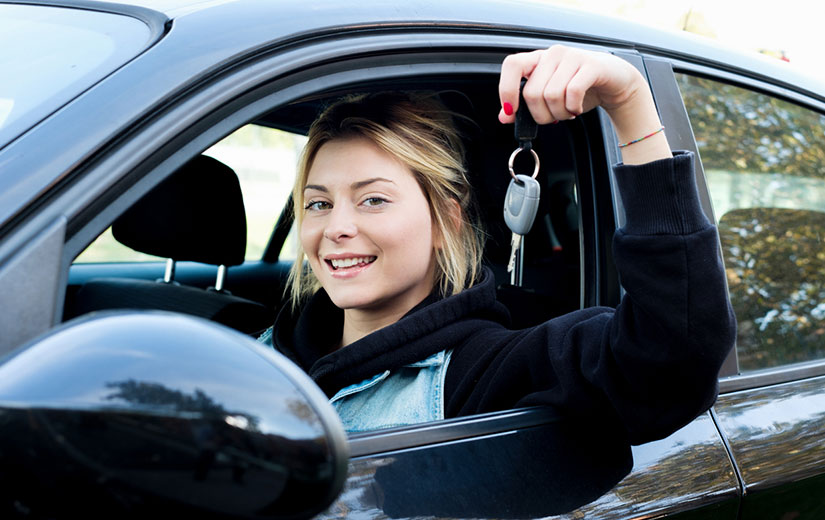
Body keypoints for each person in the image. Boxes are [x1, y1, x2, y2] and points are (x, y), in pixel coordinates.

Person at [258, 45, 736, 444]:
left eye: (373, 199)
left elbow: (671, 360)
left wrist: (629, 100)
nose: (336, 227)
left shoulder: (483, 371)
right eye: (318, 204)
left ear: (446, 222)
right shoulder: (262, 345)